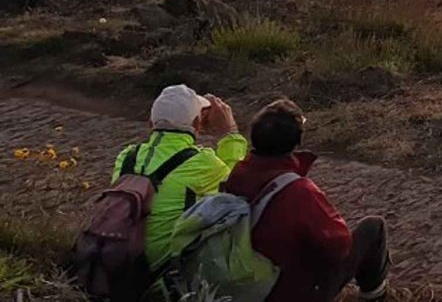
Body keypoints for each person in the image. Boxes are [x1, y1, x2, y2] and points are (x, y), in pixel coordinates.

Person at [222, 99, 390, 302]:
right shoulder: (298, 191)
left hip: (248, 283)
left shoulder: (236, 175)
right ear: (296, 141)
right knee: (373, 227)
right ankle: (375, 296)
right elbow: (339, 246)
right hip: (290, 290)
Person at [111, 85, 246, 273]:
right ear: (197, 124)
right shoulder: (202, 163)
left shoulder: (126, 157)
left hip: (121, 261)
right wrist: (230, 133)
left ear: (151, 122)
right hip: (164, 270)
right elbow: (239, 183)